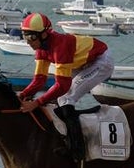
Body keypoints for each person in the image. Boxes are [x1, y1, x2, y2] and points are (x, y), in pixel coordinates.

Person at [17, 12, 114, 160]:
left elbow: (62, 86)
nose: (28, 42)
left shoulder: (59, 47)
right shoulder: (41, 49)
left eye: (31, 37)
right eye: (25, 36)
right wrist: (22, 95)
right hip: (80, 62)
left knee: (66, 97)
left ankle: (77, 149)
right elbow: (39, 80)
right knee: (55, 97)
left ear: (43, 35)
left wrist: (36, 103)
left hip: (101, 60)